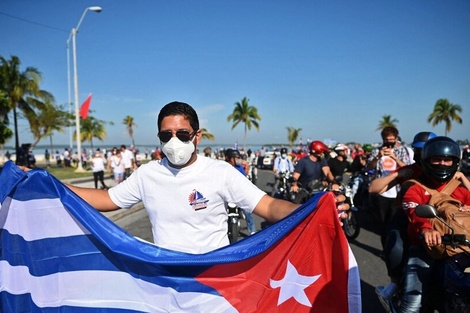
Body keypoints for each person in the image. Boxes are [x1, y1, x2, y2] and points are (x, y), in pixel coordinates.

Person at [61, 101, 305, 254]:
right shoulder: (148, 173)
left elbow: (270, 205)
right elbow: (106, 199)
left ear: (197, 136)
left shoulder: (220, 172)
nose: (174, 141)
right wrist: (51, 185)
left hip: (215, 280)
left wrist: (316, 208)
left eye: (182, 134)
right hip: (169, 280)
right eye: (166, 135)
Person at [390, 136, 470, 312]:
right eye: (437, 159)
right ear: (426, 161)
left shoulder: (461, 190)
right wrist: (426, 230)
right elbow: (414, 210)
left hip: (459, 249)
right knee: (412, 304)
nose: (442, 164)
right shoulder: (415, 187)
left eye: (447, 160)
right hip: (425, 248)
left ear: (455, 162)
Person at [367, 126, 412, 251]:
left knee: (396, 224)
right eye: (387, 139)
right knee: (383, 225)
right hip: (382, 193)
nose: (390, 141)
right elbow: (369, 168)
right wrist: (377, 157)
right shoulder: (377, 151)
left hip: (397, 192)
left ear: (396, 138)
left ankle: (395, 249)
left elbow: (408, 169)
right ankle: (385, 250)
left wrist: (394, 158)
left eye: (392, 139)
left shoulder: (402, 151)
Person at [225, 148, 257, 235]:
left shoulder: (239, 168)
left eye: (239, 157)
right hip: (227, 195)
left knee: (248, 211)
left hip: (239, 194)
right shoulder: (224, 168)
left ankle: (252, 231)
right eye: (237, 157)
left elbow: (244, 179)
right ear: (231, 159)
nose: (239, 160)